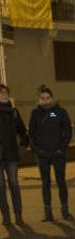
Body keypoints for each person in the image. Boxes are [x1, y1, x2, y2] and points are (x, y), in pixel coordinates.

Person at [28, 85, 73, 221]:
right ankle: (48, 212)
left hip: (58, 154)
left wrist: (62, 148)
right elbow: (31, 134)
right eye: (42, 98)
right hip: (42, 155)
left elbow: (68, 131)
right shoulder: (35, 114)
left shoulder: (60, 112)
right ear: (39, 99)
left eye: (48, 98)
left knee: (61, 182)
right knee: (45, 183)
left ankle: (65, 211)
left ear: (52, 98)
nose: (45, 101)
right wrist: (38, 150)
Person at [0, 84, 28, 226]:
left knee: (14, 185)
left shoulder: (14, 112)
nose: (4, 95)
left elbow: (23, 131)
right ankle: (6, 216)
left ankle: (18, 215)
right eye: (1, 93)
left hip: (12, 155)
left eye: (5, 92)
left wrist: (22, 147)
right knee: (1, 188)